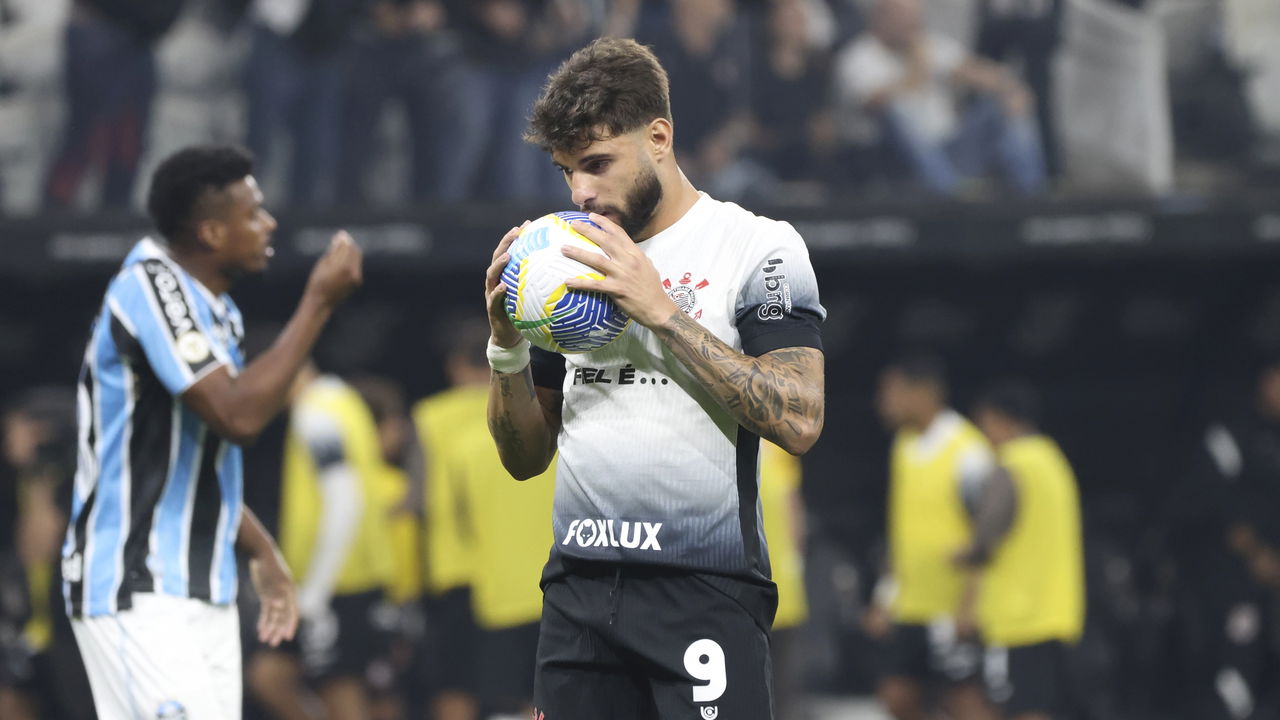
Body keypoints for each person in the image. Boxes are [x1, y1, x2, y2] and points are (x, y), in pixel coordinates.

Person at [483, 37, 826, 719]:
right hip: (577, 595)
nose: (581, 191)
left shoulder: (759, 246)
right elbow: (524, 458)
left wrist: (662, 313)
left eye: (598, 164)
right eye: (566, 171)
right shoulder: (566, 262)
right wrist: (506, 349)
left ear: (660, 137)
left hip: (702, 590)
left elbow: (799, 417)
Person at [61, 144, 363, 719]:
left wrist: (261, 549)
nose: (268, 223)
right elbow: (239, 416)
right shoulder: (152, 284)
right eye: (253, 213)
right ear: (211, 232)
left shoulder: (217, 311)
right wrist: (318, 304)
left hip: (202, 585)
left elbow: (197, 457)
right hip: (132, 584)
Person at [413, 318, 556, 718]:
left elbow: (424, 502)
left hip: (465, 577)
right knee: (539, 692)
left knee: (458, 685)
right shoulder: (538, 411)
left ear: (455, 367)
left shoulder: (430, 418)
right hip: (549, 574)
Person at [248, 362, 396, 720]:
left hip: (339, 583)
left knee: (342, 692)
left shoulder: (316, 414)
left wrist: (315, 594)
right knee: (270, 674)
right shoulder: (343, 399)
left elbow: (344, 498)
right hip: (343, 578)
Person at [866, 355, 1009, 720]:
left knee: (965, 702)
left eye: (892, 391)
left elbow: (988, 536)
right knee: (897, 697)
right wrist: (885, 596)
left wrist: (971, 603)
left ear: (923, 393)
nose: (883, 401)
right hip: (911, 607)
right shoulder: (902, 446)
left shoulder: (968, 451)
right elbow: (902, 532)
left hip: (952, 608)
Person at [832, 0, 1046, 196]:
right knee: (895, 111)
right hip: (893, 160)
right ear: (881, 18)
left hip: (951, 148)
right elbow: (875, 104)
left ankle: (1033, 195)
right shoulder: (859, 56)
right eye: (904, 17)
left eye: (915, 16)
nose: (913, 23)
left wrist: (1012, 88)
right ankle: (950, 195)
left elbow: (977, 72)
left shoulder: (929, 46)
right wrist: (915, 70)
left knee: (1007, 103)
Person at [971, 380, 1085, 720]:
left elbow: (987, 533)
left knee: (1022, 707)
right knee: (1043, 704)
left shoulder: (1012, 463)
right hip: (1059, 611)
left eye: (984, 425)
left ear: (1000, 420)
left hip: (1017, 615)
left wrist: (964, 552)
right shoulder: (1052, 459)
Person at [759, 439, 810, 720]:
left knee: (785, 682)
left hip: (784, 584)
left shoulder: (778, 447)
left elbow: (793, 505)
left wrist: (797, 560)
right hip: (742, 582)